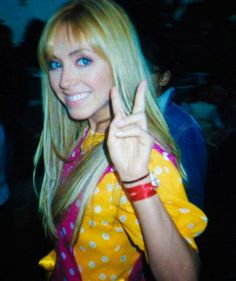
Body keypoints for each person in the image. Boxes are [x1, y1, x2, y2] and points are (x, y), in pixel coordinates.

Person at [35, 1, 208, 280]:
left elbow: (183, 276)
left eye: (83, 60)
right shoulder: (84, 134)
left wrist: (136, 180)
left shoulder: (142, 156)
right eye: (56, 64)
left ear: (120, 62)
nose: (64, 80)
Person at [143, 42, 207, 209]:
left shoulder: (184, 126)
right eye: (135, 66)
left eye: (148, 70)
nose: (139, 75)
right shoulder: (124, 113)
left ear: (164, 78)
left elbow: (192, 196)